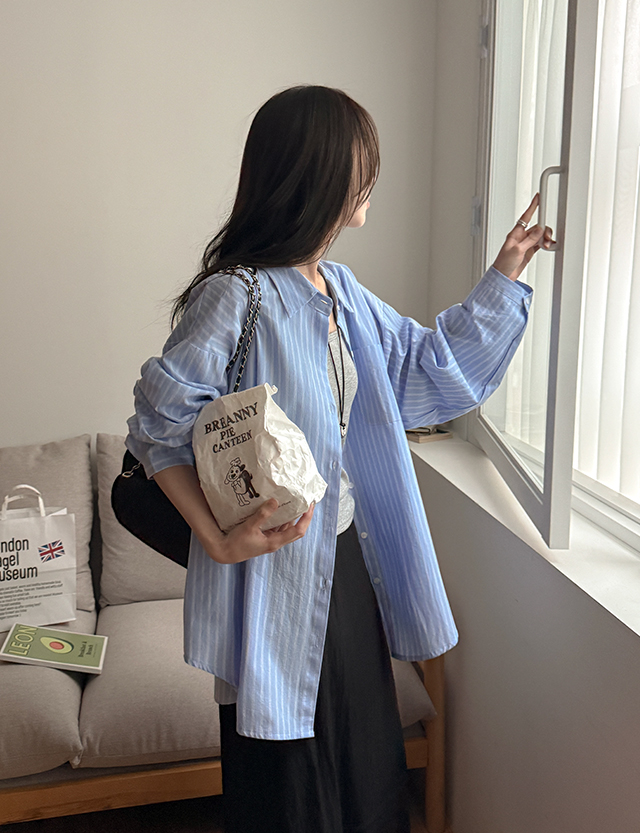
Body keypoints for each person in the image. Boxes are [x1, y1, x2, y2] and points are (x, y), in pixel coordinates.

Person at [125, 85, 554, 833]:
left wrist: (505, 273)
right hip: (273, 568)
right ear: (318, 173)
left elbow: (427, 371)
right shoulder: (236, 295)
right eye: (362, 163)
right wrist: (218, 539)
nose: (371, 179)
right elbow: (159, 422)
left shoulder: (341, 291)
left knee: (365, 758)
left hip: (346, 560)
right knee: (290, 777)